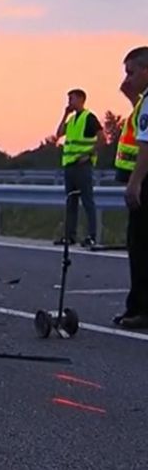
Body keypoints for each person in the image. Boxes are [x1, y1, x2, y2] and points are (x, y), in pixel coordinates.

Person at [114, 46, 148, 329]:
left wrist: (134, 182)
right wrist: (132, 97)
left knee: (140, 247)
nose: (127, 78)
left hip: (145, 181)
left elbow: (146, 144)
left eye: (131, 72)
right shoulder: (143, 101)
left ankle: (140, 310)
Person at [53, 89, 102, 247]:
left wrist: (88, 155)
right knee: (71, 202)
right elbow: (59, 134)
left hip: (83, 166)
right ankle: (69, 236)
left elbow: (102, 139)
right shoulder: (73, 119)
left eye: (71, 99)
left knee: (87, 202)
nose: (69, 102)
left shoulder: (89, 118)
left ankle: (92, 236)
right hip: (70, 166)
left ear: (81, 99)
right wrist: (65, 115)